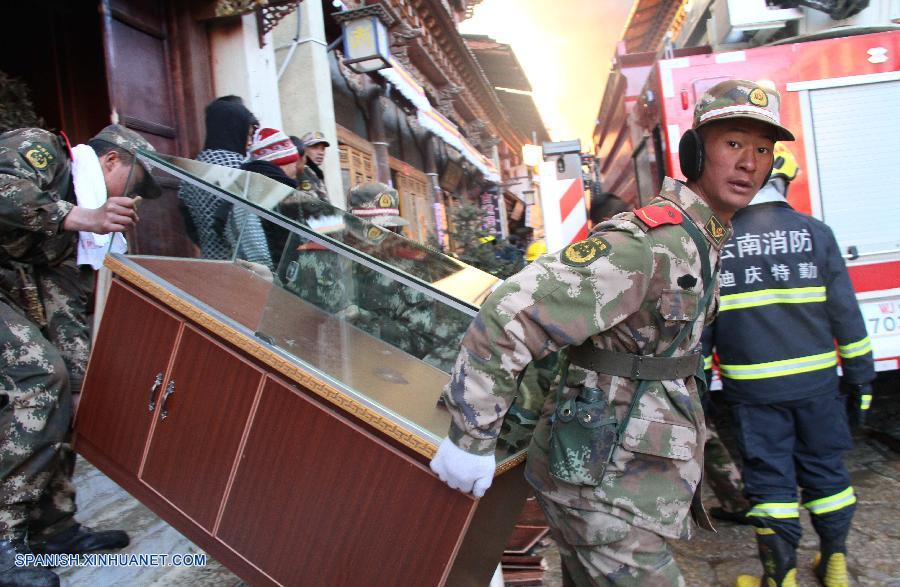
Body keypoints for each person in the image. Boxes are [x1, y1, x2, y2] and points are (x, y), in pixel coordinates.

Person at [429, 79, 791, 585]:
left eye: (762, 149)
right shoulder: (647, 242)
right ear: (695, 152)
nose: (750, 162)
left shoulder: (700, 241)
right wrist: (470, 438)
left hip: (623, 474)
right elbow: (511, 312)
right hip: (600, 486)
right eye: (733, 143)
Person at [705, 142, 874, 587]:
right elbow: (846, 315)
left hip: (753, 393)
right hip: (817, 386)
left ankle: (780, 578)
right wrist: (861, 379)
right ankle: (834, 564)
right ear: (784, 183)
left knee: (771, 485)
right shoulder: (815, 232)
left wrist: (699, 384)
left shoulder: (716, 241)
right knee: (827, 474)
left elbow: (703, 326)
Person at [0, 124, 159, 586]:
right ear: (111, 161)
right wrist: (77, 216)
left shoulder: (83, 220)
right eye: (137, 183)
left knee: (70, 382)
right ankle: (5, 536)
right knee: (38, 378)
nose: (138, 200)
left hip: (13, 292)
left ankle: (53, 526)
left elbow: (64, 300)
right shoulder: (43, 149)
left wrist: (81, 373)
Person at [179, 96, 274, 269]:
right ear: (235, 128)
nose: (250, 142)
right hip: (241, 267)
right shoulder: (237, 171)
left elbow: (191, 227)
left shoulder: (192, 171)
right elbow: (252, 236)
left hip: (210, 263)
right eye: (248, 133)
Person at [298, 131, 330, 202]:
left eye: (323, 149)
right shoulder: (300, 171)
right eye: (315, 147)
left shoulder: (317, 173)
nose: (321, 152)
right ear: (304, 150)